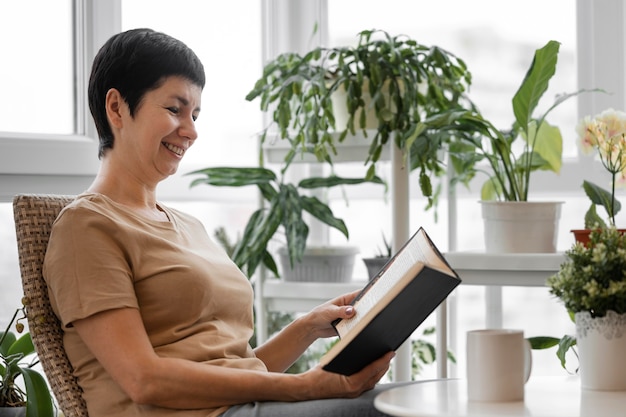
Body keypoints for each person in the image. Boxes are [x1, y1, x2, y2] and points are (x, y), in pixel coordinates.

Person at [43, 28, 396, 417]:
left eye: (194, 114)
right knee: (402, 409)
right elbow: (144, 380)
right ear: (117, 108)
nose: (191, 130)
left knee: (425, 396)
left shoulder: (188, 226)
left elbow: (240, 369)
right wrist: (303, 386)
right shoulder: (86, 228)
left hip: (235, 409)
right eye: (174, 109)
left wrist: (309, 326)